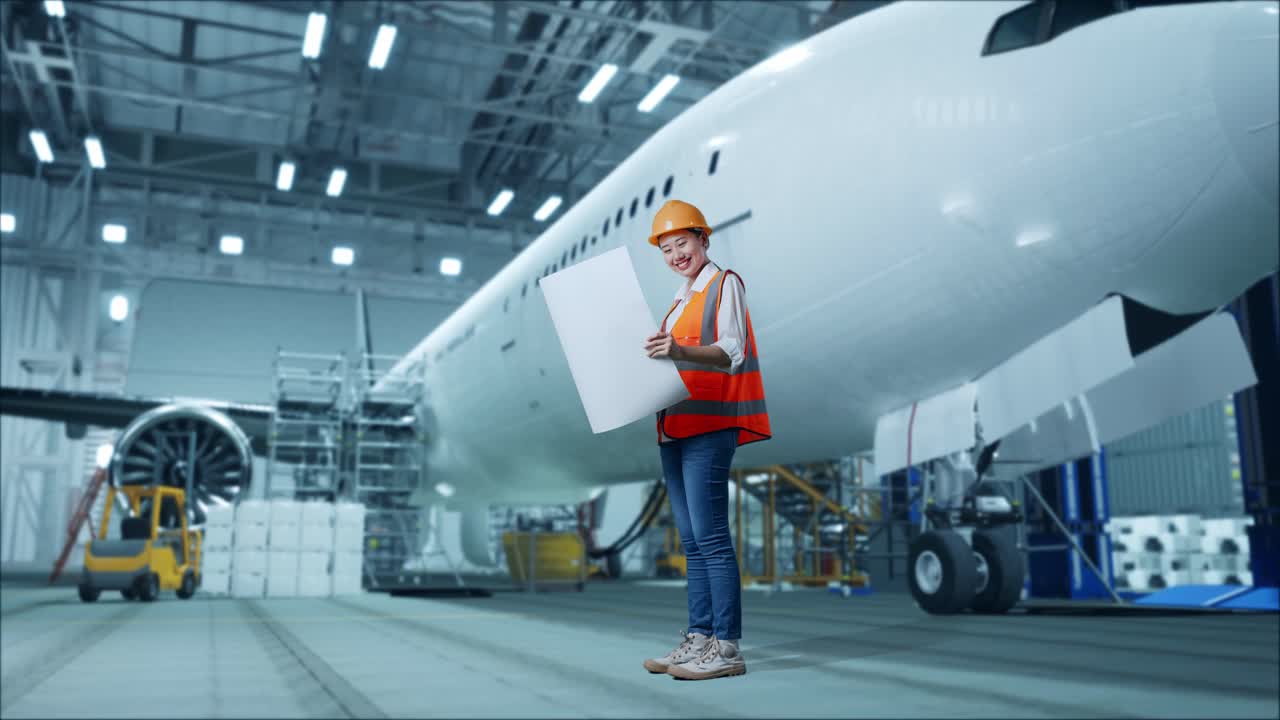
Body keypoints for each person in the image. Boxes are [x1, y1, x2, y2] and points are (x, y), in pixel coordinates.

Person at [640, 199, 771, 681]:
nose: (676, 254)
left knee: (712, 538)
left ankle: (727, 646)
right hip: (674, 427)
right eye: (667, 248)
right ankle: (699, 638)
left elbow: (731, 352)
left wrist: (678, 350)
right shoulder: (679, 302)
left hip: (709, 426)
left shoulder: (723, 283)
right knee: (692, 542)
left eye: (683, 243)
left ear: (703, 239)